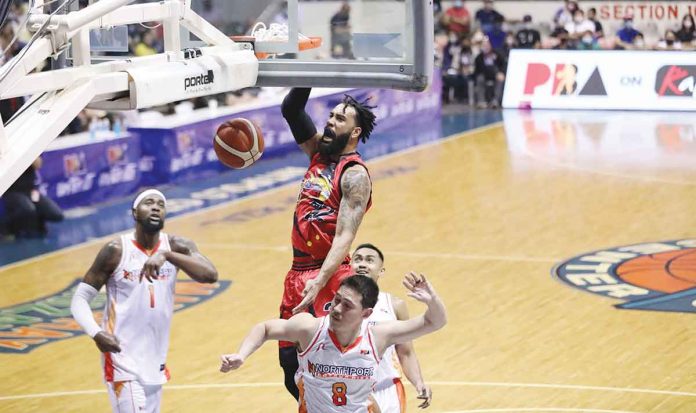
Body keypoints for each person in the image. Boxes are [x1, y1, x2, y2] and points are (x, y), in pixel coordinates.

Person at [70, 189, 218, 413]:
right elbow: (80, 299)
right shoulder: (116, 251)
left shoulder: (177, 246)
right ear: (134, 212)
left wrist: (168, 256)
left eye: (161, 204)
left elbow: (210, 275)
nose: (156, 207)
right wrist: (95, 333)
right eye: (149, 203)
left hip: (154, 359)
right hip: (121, 357)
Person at [220, 274, 447, 413]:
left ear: (366, 313)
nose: (336, 309)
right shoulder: (310, 329)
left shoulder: (378, 336)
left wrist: (433, 299)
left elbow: (434, 322)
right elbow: (266, 328)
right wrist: (242, 354)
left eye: (346, 305)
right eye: (336, 300)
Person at [279, 88, 377, 400]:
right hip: (297, 273)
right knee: (289, 368)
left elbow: (345, 236)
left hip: (329, 276)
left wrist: (321, 279)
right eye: (330, 116)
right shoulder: (317, 153)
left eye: (339, 118)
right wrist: (305, 68)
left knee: (330, 368)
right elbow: (292, 108)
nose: (330, 122)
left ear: (355, 131)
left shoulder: (354, 174)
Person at [352, 244, 432, 412]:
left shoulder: (394, 305)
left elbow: (406, 351)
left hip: (386, 390)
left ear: (381, 271)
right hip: (348, 390)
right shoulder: (334, 305)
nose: (362, 264)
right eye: (357, 259)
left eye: (369, 260)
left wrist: (419, 382)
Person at [2, 157, 63, 238]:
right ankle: (8, 228)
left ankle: (38, 225)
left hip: (31, 191)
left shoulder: (27, 147)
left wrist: (30, 155)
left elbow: (38, 164)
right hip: (12, 191)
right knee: (28, 208)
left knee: (56, 214)